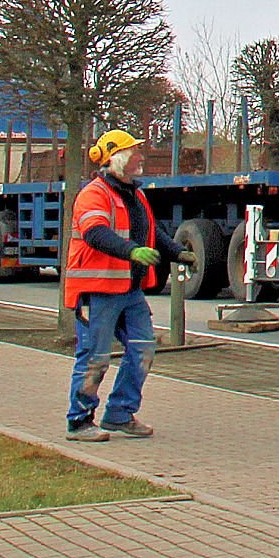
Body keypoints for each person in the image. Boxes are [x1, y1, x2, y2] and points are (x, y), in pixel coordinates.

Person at [64, 129, 184, 441]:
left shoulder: (136, 194)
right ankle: (79, 421)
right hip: (97, 291)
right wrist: (131, 251)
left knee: (143, 350)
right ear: (117, 159)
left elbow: (151, 233)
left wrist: (179, 253)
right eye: (135, 153)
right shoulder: (94, 194)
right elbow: (95, 233)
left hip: (128, 291)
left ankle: (119, 414)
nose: (141, 158)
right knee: (95, 356)